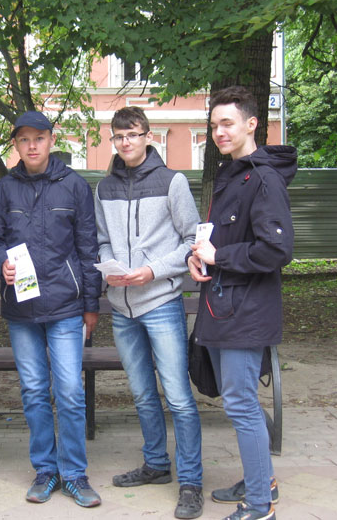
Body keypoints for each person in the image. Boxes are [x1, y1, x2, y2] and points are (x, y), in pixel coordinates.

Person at [187, 86, 296, 520]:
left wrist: (221, 257)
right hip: (221, 307)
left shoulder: (265, 179)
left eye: (228, 123)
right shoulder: (232, 176)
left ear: (252, 124)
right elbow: (220, 240)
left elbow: (276, 250)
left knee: (241, 404)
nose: (219, 132)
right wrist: (198, 257)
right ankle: (261, 479)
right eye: (214, 125)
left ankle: (259, 506)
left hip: (246, 313)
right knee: (237, 402)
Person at [0, 111, 102, 508]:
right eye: (24, 139)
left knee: (69, 391)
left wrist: (91, 305)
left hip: (66, 307)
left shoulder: (75, 186)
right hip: (21, 310)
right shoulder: (3, 190)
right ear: (16, 145)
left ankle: (75, 474)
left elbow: (88, 249)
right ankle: (45, 470)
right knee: (35, 391)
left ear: (52, 140)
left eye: (39, 137)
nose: (32, 145)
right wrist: (0, 262)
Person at [95, 106, 204, 519]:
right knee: (142, 394)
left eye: (133, 134)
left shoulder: (172, 181)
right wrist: (112, 268)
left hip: (160, 303)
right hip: (121, 307)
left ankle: (191, 481)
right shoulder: (104, 188)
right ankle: (156, 464)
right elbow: (102, 240)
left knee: (177, 397)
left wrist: (151, 271)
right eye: (119, 136)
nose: (126, 142)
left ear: (147, 136)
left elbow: (192, 241)